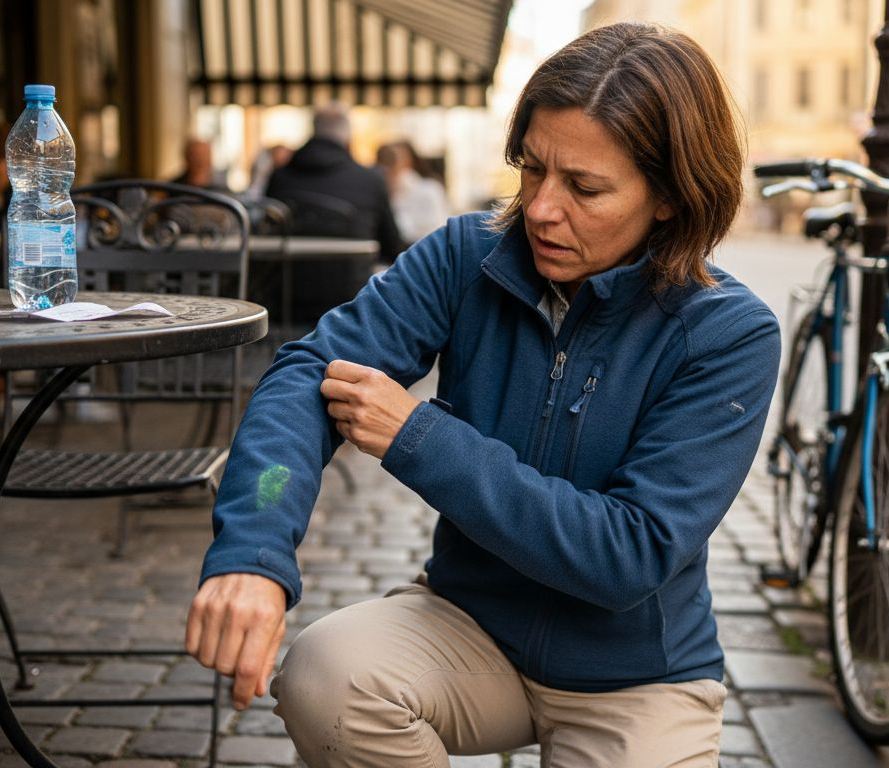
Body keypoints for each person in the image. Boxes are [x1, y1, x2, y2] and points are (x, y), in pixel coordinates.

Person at [186, 22, 776, 767]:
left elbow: (629, 555)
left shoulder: (727, 333)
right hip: (470, 631)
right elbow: (308, 375)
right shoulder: (469, 257)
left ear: (668, 197)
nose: (541, 209)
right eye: (532, 169)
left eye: (584, 187)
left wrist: (419, 437)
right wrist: (252, 551)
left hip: (637, 679)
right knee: (325, 677)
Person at [264, 103, 404, 262]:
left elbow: (268, 232)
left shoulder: (280, 178)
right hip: (356, 276)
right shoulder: (370, 181)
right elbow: (391, 246)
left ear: (314, 130)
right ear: (348, 136)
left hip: (289, 276)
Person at [376, 140, 449, 245]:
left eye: (393, 160)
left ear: (409, 161)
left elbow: (436, 230)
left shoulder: (429, 190)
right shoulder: (381, 192)